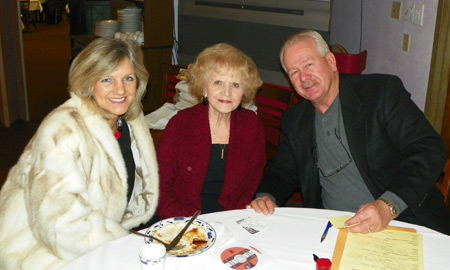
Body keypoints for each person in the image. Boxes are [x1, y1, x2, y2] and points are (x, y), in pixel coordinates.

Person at [246, 30, 450, 235]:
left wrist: (388, 206)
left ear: (331, 62)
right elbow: (283, 170)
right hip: (334, 227)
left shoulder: (380, 93)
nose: (304, 77)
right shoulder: (295, 119)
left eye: (309, 64)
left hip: (399, 221)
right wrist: (266, 196)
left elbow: (428, 148)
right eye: (294, 72)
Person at [0, 38, 159, 270]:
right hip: (42, 248)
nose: (120, 90)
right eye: (107, 79)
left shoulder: (129, 121)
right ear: (88, 82)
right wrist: (124, 244)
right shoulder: (62, 131)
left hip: (101, 236)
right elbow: (59, 226)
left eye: (128, 78)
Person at [156, 43, 266, 220]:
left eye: (236, 85)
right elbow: (160, 186)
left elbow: (252, 181)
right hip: (182, 216)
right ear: (204, 87)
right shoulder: (181, 124)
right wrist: (185, 224)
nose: (227, 92)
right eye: (218, 82)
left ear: (244, 91)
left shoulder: (251, 125)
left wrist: (233, 217)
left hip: (232, 216)